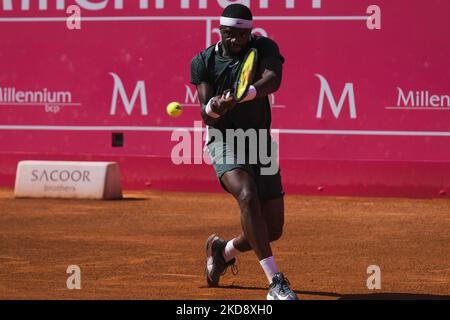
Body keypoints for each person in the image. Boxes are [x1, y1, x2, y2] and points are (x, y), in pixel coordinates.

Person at [190, 4, 298, 300]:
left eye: (245, 34)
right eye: (233, 35)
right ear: (221, 31)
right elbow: (205, 113)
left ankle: (222, 251)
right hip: (224, 139)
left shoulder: (262, 46)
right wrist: (216, 106)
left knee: (271, 229)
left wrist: (246, 93)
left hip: (259, 141)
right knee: (247, 195)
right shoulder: (203, 61)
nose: (240, 40)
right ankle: (276, 282)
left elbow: (273, 79)